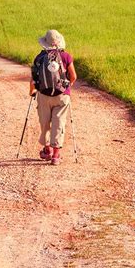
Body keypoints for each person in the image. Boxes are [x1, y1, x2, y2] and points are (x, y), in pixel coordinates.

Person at [29, 29, 77, 166]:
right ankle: (56, 155)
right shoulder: (66, 56)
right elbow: (73, 77)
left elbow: (33, 79)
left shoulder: (39, 58)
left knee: (45, 122)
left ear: (45, 43)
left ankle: (47, 150)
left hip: (43, 95)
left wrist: (32, 92)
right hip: (62, 96)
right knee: (59, 122)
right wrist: (67, 86)